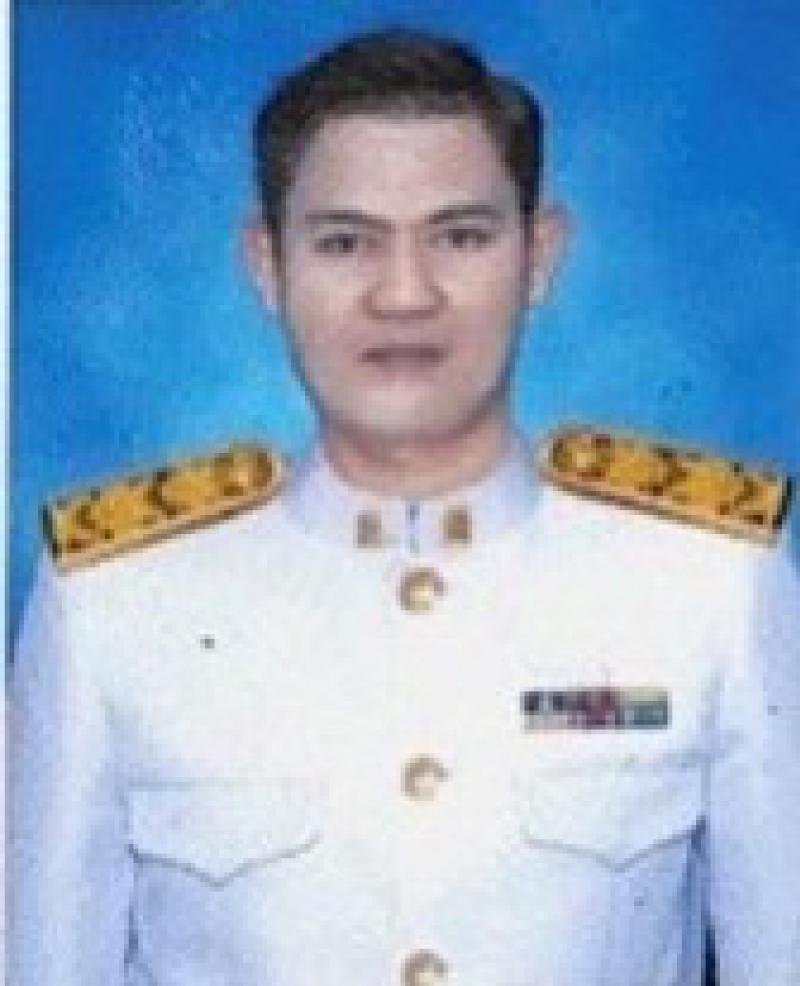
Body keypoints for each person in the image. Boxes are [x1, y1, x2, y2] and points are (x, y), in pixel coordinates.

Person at [9, 28, 800, 986]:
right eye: (345, 242)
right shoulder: (113, 605)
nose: (404, 294)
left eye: (460, 236)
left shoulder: (710, 585)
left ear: (539, 255)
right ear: (268, 265)